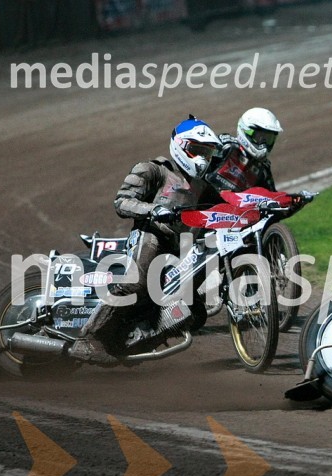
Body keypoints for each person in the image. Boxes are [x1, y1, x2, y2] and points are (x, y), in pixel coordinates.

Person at [69, 116, 223, 364]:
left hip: (180, 250)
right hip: (150, 236)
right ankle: (89, 339)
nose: (203, 159)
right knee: (137, 284)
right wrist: (152, 210)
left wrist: (262, 208)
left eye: (207, 152)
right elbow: (121, 201)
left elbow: (225, 208)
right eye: (197, 151)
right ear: (181, 146)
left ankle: (132, 340)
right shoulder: (153, 169)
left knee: (194, 311)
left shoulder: (204, 188)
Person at [205, 107, 283, 193]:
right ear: (245, 131)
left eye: (268, 139)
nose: (263, 145)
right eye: (260, 138)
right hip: (201, 201)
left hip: (231, 205)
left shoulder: (263, 169)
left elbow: (271, 197)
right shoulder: (225, 146)